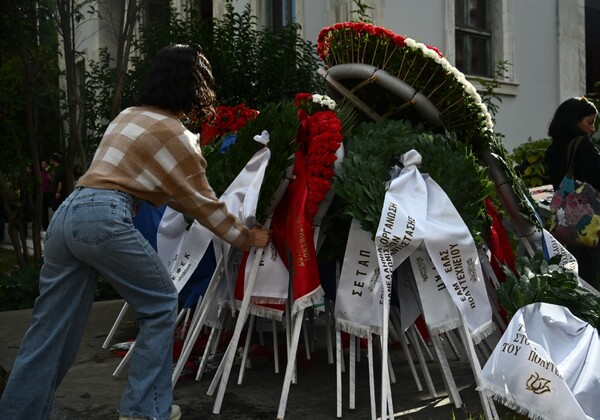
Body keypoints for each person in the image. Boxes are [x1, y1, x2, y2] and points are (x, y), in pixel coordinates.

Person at [0, 43, 271, 420]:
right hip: (104, 216)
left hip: (68, 215)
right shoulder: (177, 136)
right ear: (196, 88)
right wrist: (247, 237)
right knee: (161, 304)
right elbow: (203, 204)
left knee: (49, 330)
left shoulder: (127, 116)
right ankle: (144, 411)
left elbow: (156, 187)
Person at [545, 96, 600, 288]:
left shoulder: (553, 150)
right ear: (574, 121)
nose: (593, 128)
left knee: (582, 277)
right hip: (592, 222)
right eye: (590, 122)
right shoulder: (582, 145)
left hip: (568, 224)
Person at [40, 160, 51, 230]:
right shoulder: (41, 173)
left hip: (48, 191)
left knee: (46, 209)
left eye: (45, 164)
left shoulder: (48, 172)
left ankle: (46, 224)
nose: (44, 165)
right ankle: (44, 224)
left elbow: (50, 179)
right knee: (43, 209)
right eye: (42, 164)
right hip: (43, 192)